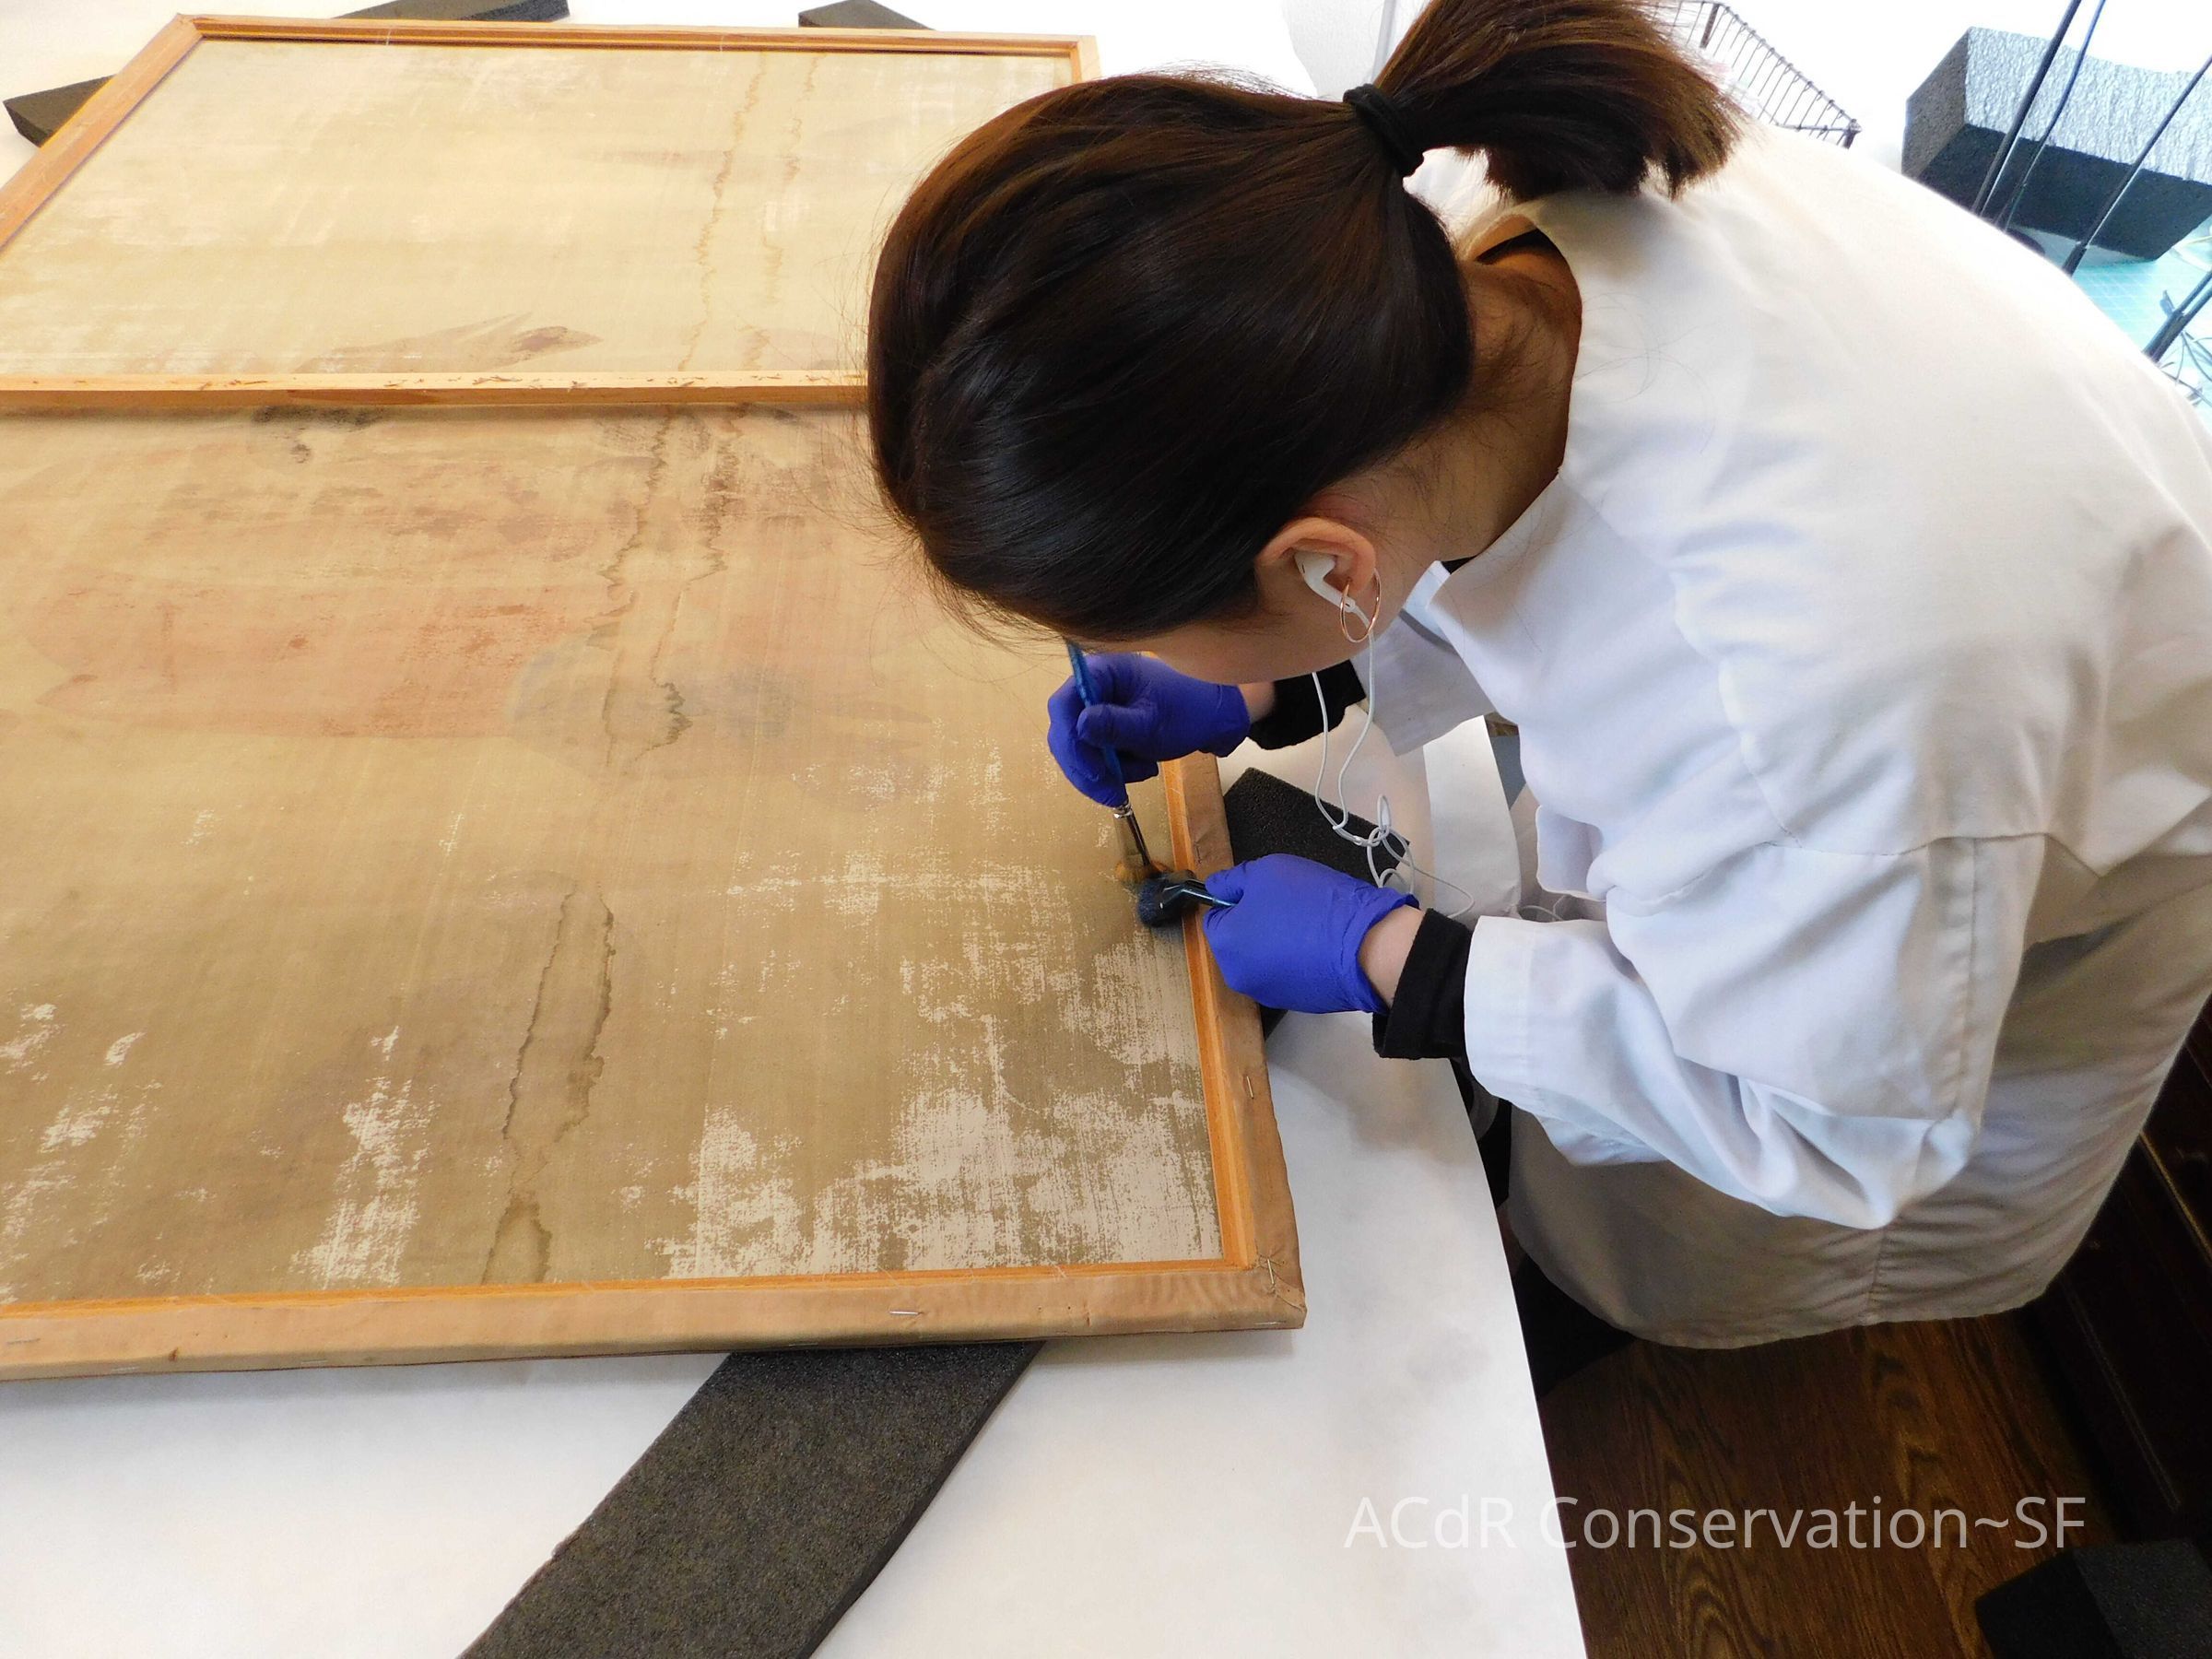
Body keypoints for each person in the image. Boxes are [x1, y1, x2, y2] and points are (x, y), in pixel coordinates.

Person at [862, 0, 2212, 1381]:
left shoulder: (1817, 713)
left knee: (1688, 1234)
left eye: (1145, 633)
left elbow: (1814, 1115)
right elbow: (1481, 538)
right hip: (1967, 585)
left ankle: (1622, 1322)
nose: (1152, 666)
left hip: (1991, 865)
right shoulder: (1405, 246)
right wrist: (1271, 696)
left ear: (1322, 565)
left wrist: (1404, 963)